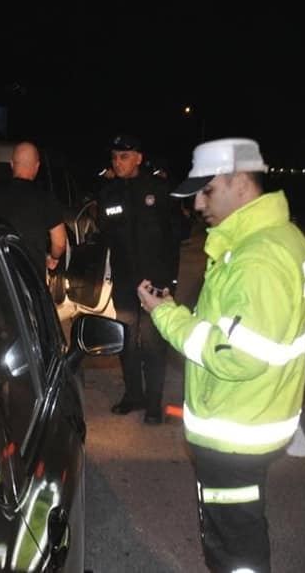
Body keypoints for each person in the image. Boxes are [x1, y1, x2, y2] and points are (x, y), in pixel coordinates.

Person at [137, 138, 305, 573]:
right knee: (241, 527)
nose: (198, 204)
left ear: (240, 183)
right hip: (254, 415)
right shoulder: (278, 239)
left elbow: (235, 354)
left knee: (234, 548)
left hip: (236, 431)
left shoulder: (258, 258)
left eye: (207, 190)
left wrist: (165, 315)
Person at [97, 134, 179, 424]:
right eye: (114, 157)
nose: (117, 162)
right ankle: (134, 395)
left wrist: (171, 281)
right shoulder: (108, 193)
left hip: (155, 281)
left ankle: (154, 404)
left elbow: (174, 237)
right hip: (124, 281)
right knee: (127, 341)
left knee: (154, 343)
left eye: (124, 156)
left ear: (139, 158)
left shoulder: (158, 190)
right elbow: (104, 233)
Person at [0, 141, 67, 275]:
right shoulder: (46, 199)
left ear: (12, 164)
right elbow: (60, 242)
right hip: (29, 278)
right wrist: (53, 257)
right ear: (37, 166)